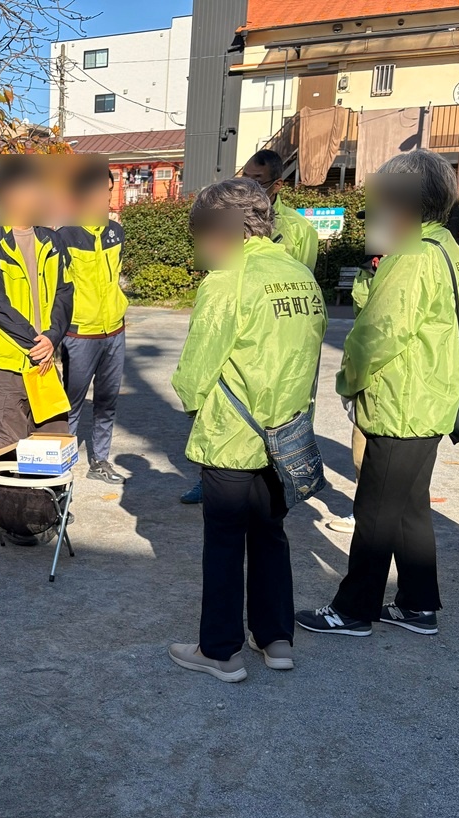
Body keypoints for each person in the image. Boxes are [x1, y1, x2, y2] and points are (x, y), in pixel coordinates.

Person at [297, 149, 459, 638]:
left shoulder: (412, 256)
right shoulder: (446, 248)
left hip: (403, 402)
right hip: (431, 398)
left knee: (375, 511)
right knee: (410, 508)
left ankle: (354, 609)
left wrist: (348, 383)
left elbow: (378, 333)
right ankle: (418, 603)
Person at [169, 178, 326, 682]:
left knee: (223, 543)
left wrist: (192, 401)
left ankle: (219, 651)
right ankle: (276, 637)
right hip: (287, 433)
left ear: (218, 232)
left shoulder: (227, 280)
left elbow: (195, 375)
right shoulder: (300, 274)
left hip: (232, 435)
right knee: (270, 535)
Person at [0, 158, 74, 449]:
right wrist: (35, 343)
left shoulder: (52, 241)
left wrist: (52, 338)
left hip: (44, 367)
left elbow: (64, 294)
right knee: (8, 460)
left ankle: (48, 498)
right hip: (3, 372)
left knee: (53, 454)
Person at [56, 163, 130, 484]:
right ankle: (59, 467)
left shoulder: (117, 232)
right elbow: (56, 290)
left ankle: (99, 462)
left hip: (114, 332)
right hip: (79, 335)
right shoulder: (65, 236)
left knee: (106, 403)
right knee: (69, 405)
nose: (105, 197)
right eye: (98, 191)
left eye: (108, 190)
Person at [326, 252, 382, 535]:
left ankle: (372, 515)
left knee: (385, 452)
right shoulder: (367, 266)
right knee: (361, 450)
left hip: (388, 369)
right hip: (364, 363)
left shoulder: (410, 262)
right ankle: (365, 510)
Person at [242, 149, 319, 271]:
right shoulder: (227, 218)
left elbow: (305, 278)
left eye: (257, 181)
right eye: (244, 179)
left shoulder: (301, 228)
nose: (247, 187)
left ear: (277, 185)